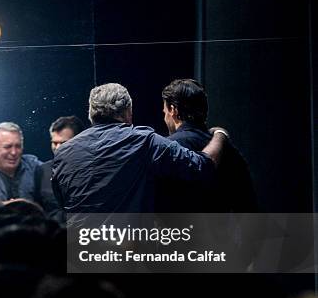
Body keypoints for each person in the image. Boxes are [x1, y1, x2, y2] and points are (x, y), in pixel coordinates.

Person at [52, 83, 229, 213]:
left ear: (91, 113)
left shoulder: (63, 153)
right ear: (128, 112)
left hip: (82, 255)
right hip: (129, 255)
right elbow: (203, 166)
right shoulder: (143, 140)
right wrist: (220, 134)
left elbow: (61, 204)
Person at [157, 78, 258, 212]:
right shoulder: (229, 150)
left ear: (172, 109)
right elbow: (248, 206)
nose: (165, 118)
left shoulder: (168, 148)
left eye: (164, 113)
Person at [34, 116, 85, 220]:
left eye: (63, 143)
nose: (57, 148)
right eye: (54, 143)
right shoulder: (42, 171)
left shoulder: (95, 170)